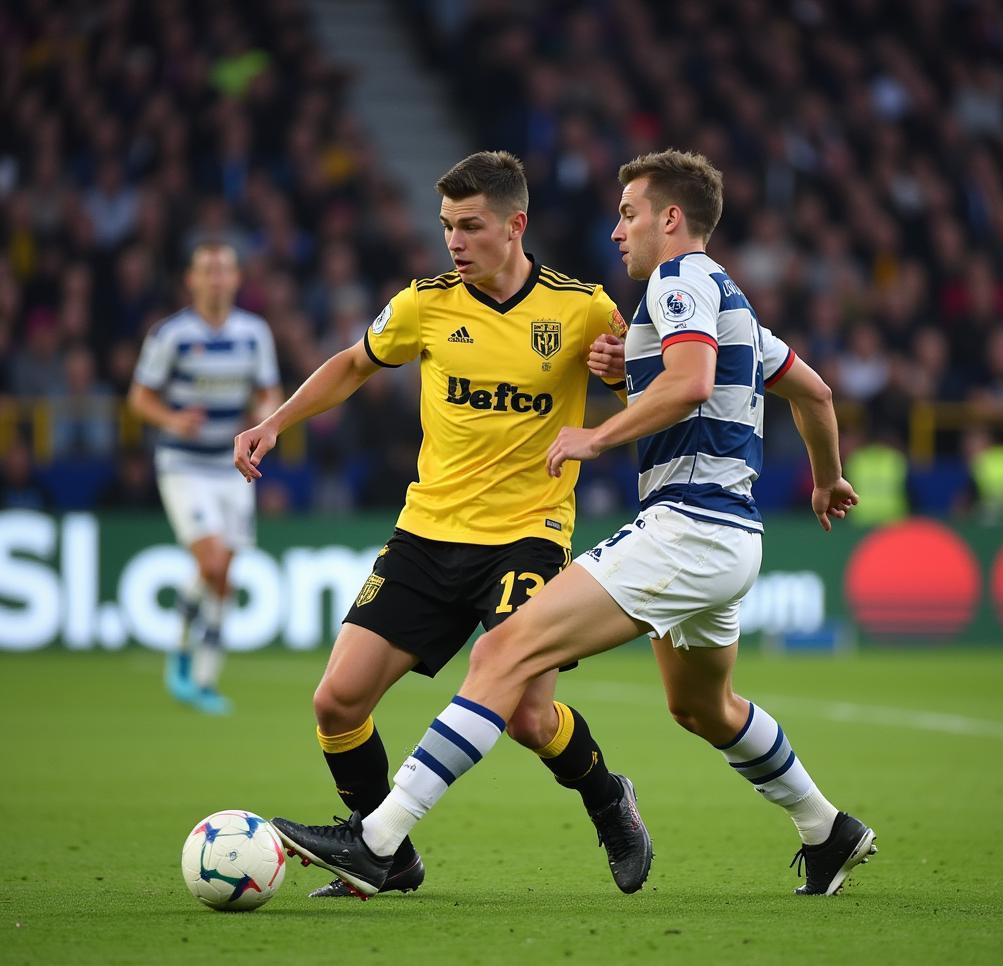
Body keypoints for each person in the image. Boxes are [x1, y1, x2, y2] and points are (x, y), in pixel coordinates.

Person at [276, 149, 877, 899]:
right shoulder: (733, 300)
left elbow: (690, 384)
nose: (617, 231)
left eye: (629, 214)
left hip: (683, 527)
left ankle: (379, 839)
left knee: (502, 655)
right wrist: (825, 479)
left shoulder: (678, 281)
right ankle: (828, 830)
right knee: (701, 707)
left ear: (669, 218)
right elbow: (814, 393)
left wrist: (596, 435)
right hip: (733, 536)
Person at [235, 151, 653, 899]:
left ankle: (607, 800)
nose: (454, 243)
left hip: (528, 535)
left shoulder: (582, 307)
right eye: (446, 227)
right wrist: (275, 421)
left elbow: (643, 398)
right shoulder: (425, 303)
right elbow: (353, 364)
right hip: (427, 533)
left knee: (528, 715)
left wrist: (623, 370)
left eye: (470, 226)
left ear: (514, 225)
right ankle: (386, 854)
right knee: (336, 702)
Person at [129, 243, 283, 714]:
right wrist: (173, 421)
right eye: (207, 271)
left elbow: (268, 389)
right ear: (191, 280)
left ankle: (204, 677)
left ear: (237, 279)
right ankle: (179, 651)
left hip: (231, 464)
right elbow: (139, 397)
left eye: (224, 270)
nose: (216, 278)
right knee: (212, 562)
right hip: (183, 462)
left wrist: (263, 414)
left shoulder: (253, 333)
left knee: (223, 577)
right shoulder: (171, 335)